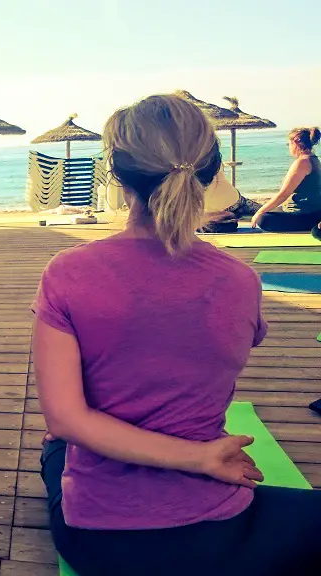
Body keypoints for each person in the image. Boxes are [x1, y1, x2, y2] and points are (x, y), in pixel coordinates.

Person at [34, 94, 321, 576]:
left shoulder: (68, 273)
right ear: (213, 171)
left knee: (56, 446)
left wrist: (200, 457)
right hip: (220, 533)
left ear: (118, 174)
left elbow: (64, 419)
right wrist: (202, 457)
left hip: (96, 541)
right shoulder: (239, 280)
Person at [249, 127, 321, 233]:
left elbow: (284, 194)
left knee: (262, 219)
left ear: (296, 143)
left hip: (303, 213)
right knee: (269, 210)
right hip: (311, 211)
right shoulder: (314, 159)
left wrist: (259, 212)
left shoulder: (302, 162)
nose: (289, 148)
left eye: (289, 144)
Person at [199, 168, 263, 233]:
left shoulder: (189, 166)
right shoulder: (211, 158)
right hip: (234, 202)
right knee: (267, 212)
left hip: (206, 212)